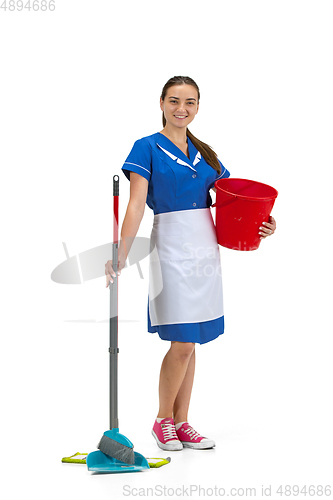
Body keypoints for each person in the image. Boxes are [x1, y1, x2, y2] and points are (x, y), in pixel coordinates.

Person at [105, 76, 276, 452]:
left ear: (198, 107)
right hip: (171, 246)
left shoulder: (207, 155)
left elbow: (236, 203)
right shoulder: (146, 147)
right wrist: (121, 251)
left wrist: (263, 226)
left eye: (190, 102)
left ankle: (182, 423)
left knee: (193, 340)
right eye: (174, 100)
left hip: (205, 247)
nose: (182, 108)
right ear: (161, 103)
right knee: (181, 340)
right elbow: (136, 204)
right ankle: (162, 420)